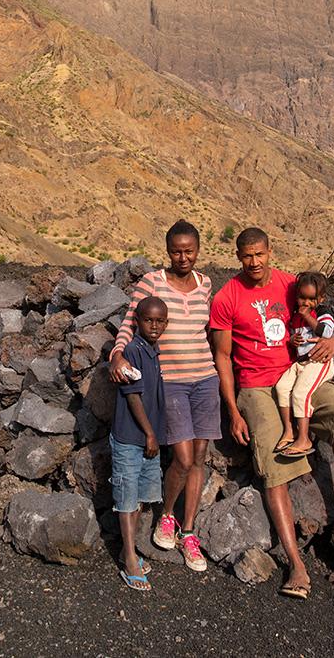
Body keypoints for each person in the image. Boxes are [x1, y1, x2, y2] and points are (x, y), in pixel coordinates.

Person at [210, 227, 334, 600]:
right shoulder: (227, 297)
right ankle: (296, 563)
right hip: (257, 387)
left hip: (297, 372)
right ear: (237, 256)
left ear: (270, 251)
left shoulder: (289, 284)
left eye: (260, 254)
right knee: (276, 459)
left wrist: (330, 338)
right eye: (247, 256)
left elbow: (319, 308)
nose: (254, 262)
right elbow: (224, 357)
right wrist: (233, 410)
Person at [109, 220, 217, 572]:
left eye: (189, 251)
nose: (182, 257)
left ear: (198, 250)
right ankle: (166, 515)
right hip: (171, 381)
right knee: (183, 459)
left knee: (200, 457)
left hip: (206, 379)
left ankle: (188, 533)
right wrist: (117, 354)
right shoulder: (151, 282)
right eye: (176, 251)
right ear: (167, 251)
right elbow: (130, 320)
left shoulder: (206, 285)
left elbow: (210, 333)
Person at [111, 296, 169, 592]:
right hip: (132, 438)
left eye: (160, 321)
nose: (155, 326)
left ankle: (127, 549)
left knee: (139, 499)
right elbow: (133, 396)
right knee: (127, 498)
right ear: (138, 322)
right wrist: (149, 433)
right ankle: (130, 560)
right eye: (149, 320)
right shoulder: (133, 351)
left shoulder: (153, 351)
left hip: (148, 439)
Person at [274, 271, 334, 458]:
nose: (305, 303)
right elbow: (296, 334)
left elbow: (326, 332)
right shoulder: (295, 315)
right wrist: (293, 339)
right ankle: (289, 430)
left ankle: (304, 438)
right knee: (282, 387)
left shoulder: (321, 312)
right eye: (302, 298)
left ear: (320, 299)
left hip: (318, 362)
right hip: (301, 362)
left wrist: (308, 316)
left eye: (311, 299)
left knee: (301, 393)